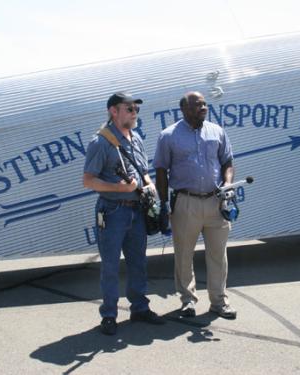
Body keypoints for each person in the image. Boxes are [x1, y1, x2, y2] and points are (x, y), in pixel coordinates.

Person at [83, 92, 165, 335]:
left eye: (135, 109)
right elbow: (88, 181)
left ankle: (139, 307)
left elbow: (143, 170)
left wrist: (148, 184)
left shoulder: (136, 138)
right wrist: (119, 188)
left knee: (138, 262)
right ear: (113, 111)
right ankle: (109, 315)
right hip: (112, 211)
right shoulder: (100, 142)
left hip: (137, 210)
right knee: (110, 266)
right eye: (129, 108)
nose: (134, 112)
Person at [153, 91, 237, 319]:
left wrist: (228, 184)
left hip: (215, 202)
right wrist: (163, 205)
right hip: (185, 202)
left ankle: (219, 302)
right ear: (184, 109)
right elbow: (161, 171)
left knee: (218, 255)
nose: (203, 108)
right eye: (197, 105)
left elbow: (227, 161)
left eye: (204, 104)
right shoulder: (168, 136)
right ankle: (187, 301)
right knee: (183, 255)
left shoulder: (217, 131)